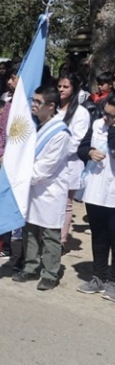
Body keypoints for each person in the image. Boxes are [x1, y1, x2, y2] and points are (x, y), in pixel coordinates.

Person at [12, 86, 71, 291]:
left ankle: (50, 272)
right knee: (29, 229)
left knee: (50, 234)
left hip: (49, 190)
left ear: (51, 105)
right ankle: (30, 266)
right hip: (32, 188)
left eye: (38, 102)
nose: (33, 105)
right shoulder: (36, 125)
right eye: (33, 101)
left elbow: (47, 166)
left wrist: (21, 176)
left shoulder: (60, 132)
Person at [76, 95, 115, 299]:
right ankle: (98, 277)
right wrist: (90, 152)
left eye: (111, 116)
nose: (105, 118)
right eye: (105, 113)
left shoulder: (110, 129)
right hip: (96, 191)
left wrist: (113, 131)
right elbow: (81, 148)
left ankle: (114, 282)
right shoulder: (98, 124)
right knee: (99, 237)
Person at [55, 74, 91, 253]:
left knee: (66, 204)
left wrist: (55, 153)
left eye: (65, 87)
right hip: (50, 165)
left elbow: (76, 141)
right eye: (59, 86)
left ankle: (61, 240)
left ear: (74, 89)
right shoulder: (53, 108)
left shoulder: (81, 113)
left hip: (69, 164)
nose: (61, 89)